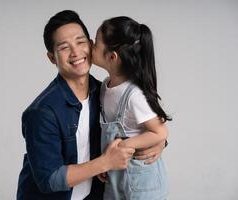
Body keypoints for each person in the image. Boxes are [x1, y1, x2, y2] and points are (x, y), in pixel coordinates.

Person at [17, 10, 166, 200]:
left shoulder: (104, 92)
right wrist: (105, 163)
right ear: (52, 58)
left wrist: (159, 142)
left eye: (80, 42)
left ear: (90, 44)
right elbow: (50, 180)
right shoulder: (42, 112)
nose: (76, 52)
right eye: (64, 47)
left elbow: (142, 125)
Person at [92, 16, 171, 200]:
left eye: (95, 43)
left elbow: (159, 133)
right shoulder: (105, 86)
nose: (90, 45)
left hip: (142, 183)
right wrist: (104, 160)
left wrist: (123, 145)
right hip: (117, 178)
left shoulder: (134, 96)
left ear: (112, 57)